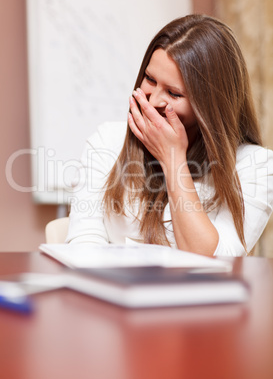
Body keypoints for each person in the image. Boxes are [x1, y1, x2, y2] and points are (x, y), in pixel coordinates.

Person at [66, 14, 273, 256]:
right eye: (150, 79)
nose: (153, 101)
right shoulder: (107, 141)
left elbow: (217, 262)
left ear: (210, 105)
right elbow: (83, 246)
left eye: (174, 93)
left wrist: (173, 158)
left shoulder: (257, 165)